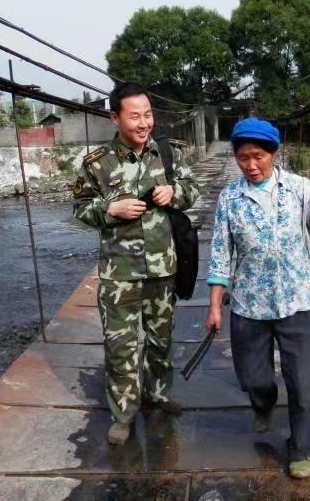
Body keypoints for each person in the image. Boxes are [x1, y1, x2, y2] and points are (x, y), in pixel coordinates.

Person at [204, 117, 310, 479]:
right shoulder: (229, 197)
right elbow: (221, 253)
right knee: (253, 376)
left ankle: (301, 448)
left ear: (274, 154)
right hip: (249, 304)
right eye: (243, 158)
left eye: (258, 156)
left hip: (297, 301)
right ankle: (264, 403)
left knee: (303, 383)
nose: (251, 165)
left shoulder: (300, 188)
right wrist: (213, 305)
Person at [73, 82, 199, 445]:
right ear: (115, 118)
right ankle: (123, 414)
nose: (144, 123)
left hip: (164, 269)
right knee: (121, 346)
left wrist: (175, 193)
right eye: (135, 116)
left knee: (161, 340)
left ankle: (157, 395)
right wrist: (109, 209)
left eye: (148, 115)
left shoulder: (170, 154)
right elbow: (80, 210)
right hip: (120, 274)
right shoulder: (96, 164)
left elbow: (193, 192)